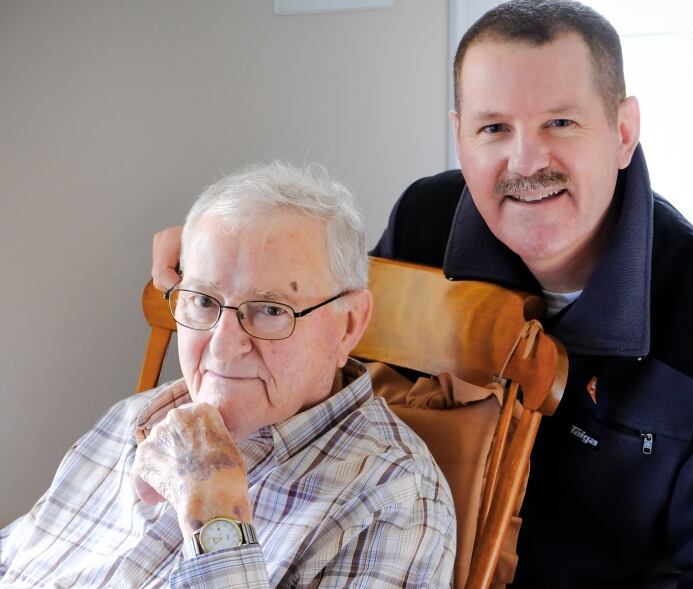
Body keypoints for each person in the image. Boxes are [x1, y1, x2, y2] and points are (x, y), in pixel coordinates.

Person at [151, 1, 693, 587]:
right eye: (494, 128)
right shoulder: (427, 218)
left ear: (622, 131)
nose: (527, 161)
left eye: (560, 122)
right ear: (460, 135)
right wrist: (226, 268)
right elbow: (317, 357)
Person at [0, 162, 456, 588]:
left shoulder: (392, 499)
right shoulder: (133, 419)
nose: (221, 346)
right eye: (202, 300)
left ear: (348, 324)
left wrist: (216, 517)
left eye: (271, 310)